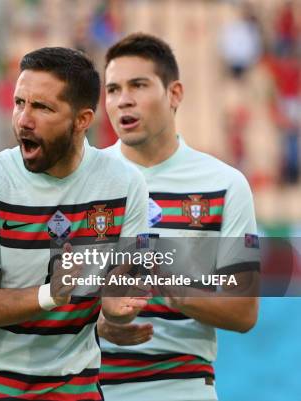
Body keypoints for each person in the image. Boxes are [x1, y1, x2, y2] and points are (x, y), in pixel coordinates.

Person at [0, 46, 150, 400]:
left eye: (42, 107)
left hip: (76, 383)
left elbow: (120, 293)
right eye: (19, 103)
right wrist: (48, 295)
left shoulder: (125, 184)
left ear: (82, 120)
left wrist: (117, 311)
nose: (24, 120)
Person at [99, 33, 260, 401]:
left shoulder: (224, 184)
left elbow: (244, 311)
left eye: (138, 85)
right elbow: (58, 293)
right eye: (113, 89)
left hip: (181, 386)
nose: (123, 99)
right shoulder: (82, 180)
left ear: (174, 94)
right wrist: (102, 324)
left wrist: (173, 289)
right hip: (91, 386)